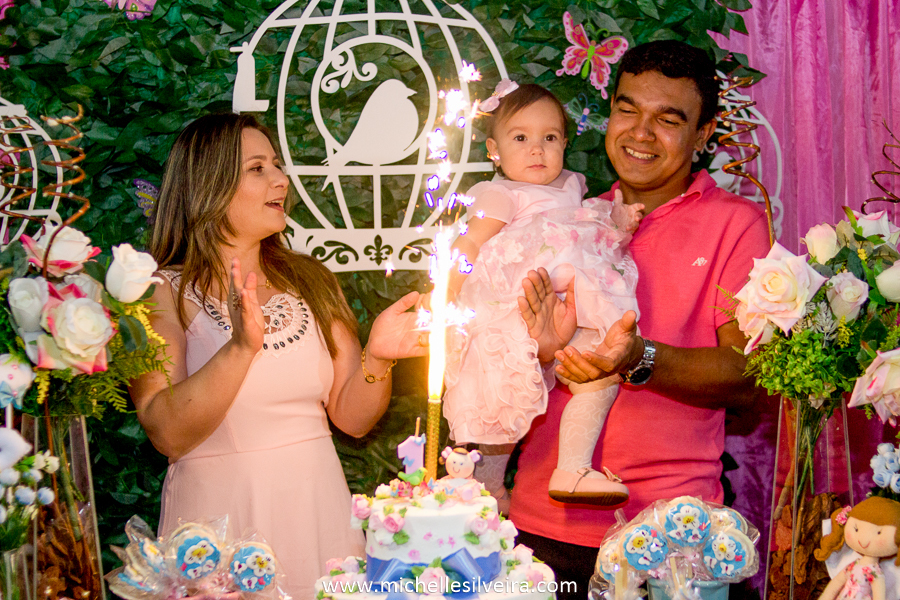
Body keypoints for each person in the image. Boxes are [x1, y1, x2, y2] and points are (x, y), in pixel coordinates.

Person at [511, 40, 770, 600]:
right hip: (542, 528)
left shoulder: (736, 224)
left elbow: (747, 375)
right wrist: (541, 350)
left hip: (672, 536)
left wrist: (637, 357)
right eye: (627, 109)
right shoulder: (569, 218)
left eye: (668, 120)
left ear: (703, 136)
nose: (641, 133)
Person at [129, 114, 426, 600]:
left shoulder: (311, 279)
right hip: (220, 526)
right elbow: (166, 431)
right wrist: (240, 348)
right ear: (208, 185)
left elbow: (352, 419)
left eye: (276, 165)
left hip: (318, 511)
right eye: (257, 168)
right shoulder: (159, 292)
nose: (280, 180)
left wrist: (377, 359)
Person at [440, 82, 643, 509]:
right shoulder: (501, 194)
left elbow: (589, 229)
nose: (537, 150)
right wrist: (448, 289)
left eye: (549, 138)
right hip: (515, 307)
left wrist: (619, 221)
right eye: (520, 138)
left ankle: (573, 468)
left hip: (571, 303)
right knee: (504, 399)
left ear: (565, 144)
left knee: (598, 369)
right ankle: (487, 490)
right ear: (494, 150)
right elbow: (470, 243)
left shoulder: (572, 185)